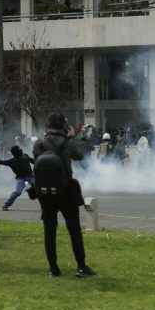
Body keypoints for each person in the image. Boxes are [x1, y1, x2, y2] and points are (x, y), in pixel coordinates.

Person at [33, 113, 96, 278]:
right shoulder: (68, 143)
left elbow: (37, 162)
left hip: (45, 192)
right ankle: (81, 267)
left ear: (48, 125)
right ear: (64, 126)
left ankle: (53, 268)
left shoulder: (39, 143)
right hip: (66, 190)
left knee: (49, 231)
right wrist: (72, 137)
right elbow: (80, 156)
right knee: (74, 229)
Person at [0, 145, 35, 211]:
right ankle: (6, 205)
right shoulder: (12, 161)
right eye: (19, 150)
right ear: (16, 152)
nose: (21, 151)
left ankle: (47, 204)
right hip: (21, 179)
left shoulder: (25, 156)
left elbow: (33, 161)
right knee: (18, 192)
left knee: (40, 190)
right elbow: (0, 162)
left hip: (30, 178)